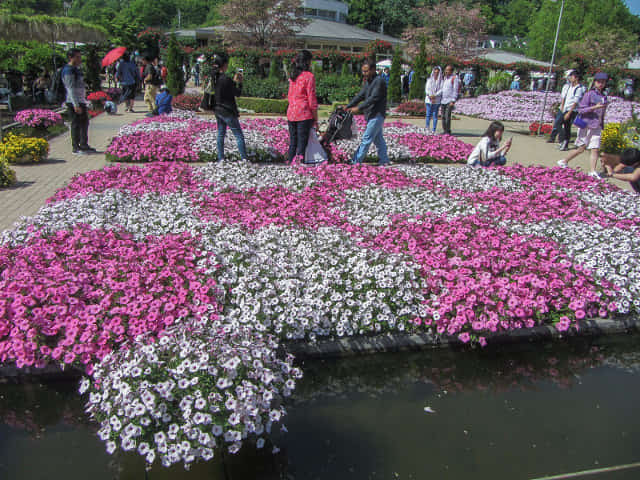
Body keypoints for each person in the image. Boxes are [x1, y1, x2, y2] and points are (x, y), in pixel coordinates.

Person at [558, 72, 608, 178]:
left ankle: (592, 171)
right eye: (599, 82)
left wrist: (602, 123)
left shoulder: (604, 96)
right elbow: (581, 110)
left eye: (603, 82)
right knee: (581, 148)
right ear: (594, 82)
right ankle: (564, 161)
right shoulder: (589, 94)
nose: (601, 84)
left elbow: (603, 111)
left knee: (595, 148)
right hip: (586, 124)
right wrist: (594, 107)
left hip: (596, 126)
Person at [346, 58, 390, 166]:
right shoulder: (369, 81)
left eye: (366, 71)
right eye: (363, 71)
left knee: (366, 139)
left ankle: (355, 161)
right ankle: (384, 160)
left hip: (377, 114)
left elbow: (373, 98)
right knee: (378, 140)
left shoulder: (379, 81)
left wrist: (358, 108)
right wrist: (348, 106)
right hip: (371, 115)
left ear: (373, 70)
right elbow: (360, 95)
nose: (364, 73)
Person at [212, 53, 248, 162]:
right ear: (224, 65)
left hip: (218, 109)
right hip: (227, 110)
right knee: (239, 135)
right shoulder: (226, 79)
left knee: (221, 134)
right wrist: (239, 83)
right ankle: (244, 159)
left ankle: (220, 158)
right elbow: (237, 93)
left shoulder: (215, 77)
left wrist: (233, 81)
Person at [62, 48, 96, 155]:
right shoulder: (68, 70)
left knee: (84, 123)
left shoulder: (77, 69)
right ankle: (75, 147)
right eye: (77, 57)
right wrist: (75, 104)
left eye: (80, 57)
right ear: (71, 57)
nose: (80, 59)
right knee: (76, 124)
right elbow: (70, 88)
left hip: (81, 100)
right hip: (73, 102)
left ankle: (84, 144)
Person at [286, 50, 318, 163]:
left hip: (291, 113)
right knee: (302, 143)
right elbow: (312, 99)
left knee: (293, 142)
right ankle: (299, 166)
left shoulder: (293, 76)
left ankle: (290, 163)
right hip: (303, 114)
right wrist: (315, 117)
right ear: (308, 62)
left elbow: (290, 95)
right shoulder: (309, 76)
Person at [556, 70, 586, 151]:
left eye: (571, 76)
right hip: (566, 108)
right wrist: (562, 107)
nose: (570, 78)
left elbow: (576, 102)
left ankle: (562, 141)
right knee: (566, 127)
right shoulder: (569, 86)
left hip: (571, 110)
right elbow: (565, 97)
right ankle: (565, 143)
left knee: (558, 123)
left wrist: (569, 113)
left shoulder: (579, 88)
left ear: (576, 78)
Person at [440, 65, 460, 135]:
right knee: (442, 116)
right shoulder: (444, 78)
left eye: (448, 70)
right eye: (446, 70)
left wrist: (453, 100)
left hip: (449, 100)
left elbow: (455, 90)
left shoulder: (454, 78)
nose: (446, 71)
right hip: (443, 100)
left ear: (451, 71)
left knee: (447, 116)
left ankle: (448, 131)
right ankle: (444, 130)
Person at [424, 66, 443, 134]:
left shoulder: (441, 81)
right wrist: (430, 95)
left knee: (435, 115)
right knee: (428, 114)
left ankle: (434, 129)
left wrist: (434, 95)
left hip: (436, 100)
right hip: (429, 100)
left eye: (437, 73)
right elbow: (427, 89)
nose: (436, 74)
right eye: (435, 72)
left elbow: (441, 90)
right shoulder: (429, 80)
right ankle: (427, 127)